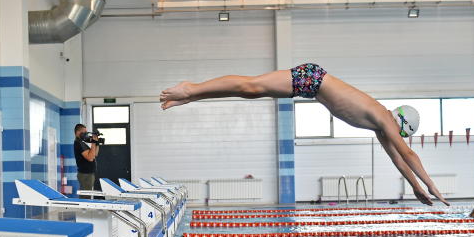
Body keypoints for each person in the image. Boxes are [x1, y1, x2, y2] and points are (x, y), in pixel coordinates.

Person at [160, 63, 450, 206]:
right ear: (401, 124)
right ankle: (192, 88)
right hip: (314, 79)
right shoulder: (383, 118)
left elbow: (399, 160)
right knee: (251, 87)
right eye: (401, 134)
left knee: (251, 92)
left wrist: (415, 188)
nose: (397, 138)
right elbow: (409, 154)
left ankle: (193, 95)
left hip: (312, 87)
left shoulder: (381, 127)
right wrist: (432, 185)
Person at [74, 123, 100, 192]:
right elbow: (90, 158)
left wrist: (97, 143)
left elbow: (95, 154)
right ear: (78, 132)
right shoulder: (78, 143)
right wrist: (93, 143)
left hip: (88, 174)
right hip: (85, 175)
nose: (86, 134)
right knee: (85, 197)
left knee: (87, 196)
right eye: (84, 132)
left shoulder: (82, 143)